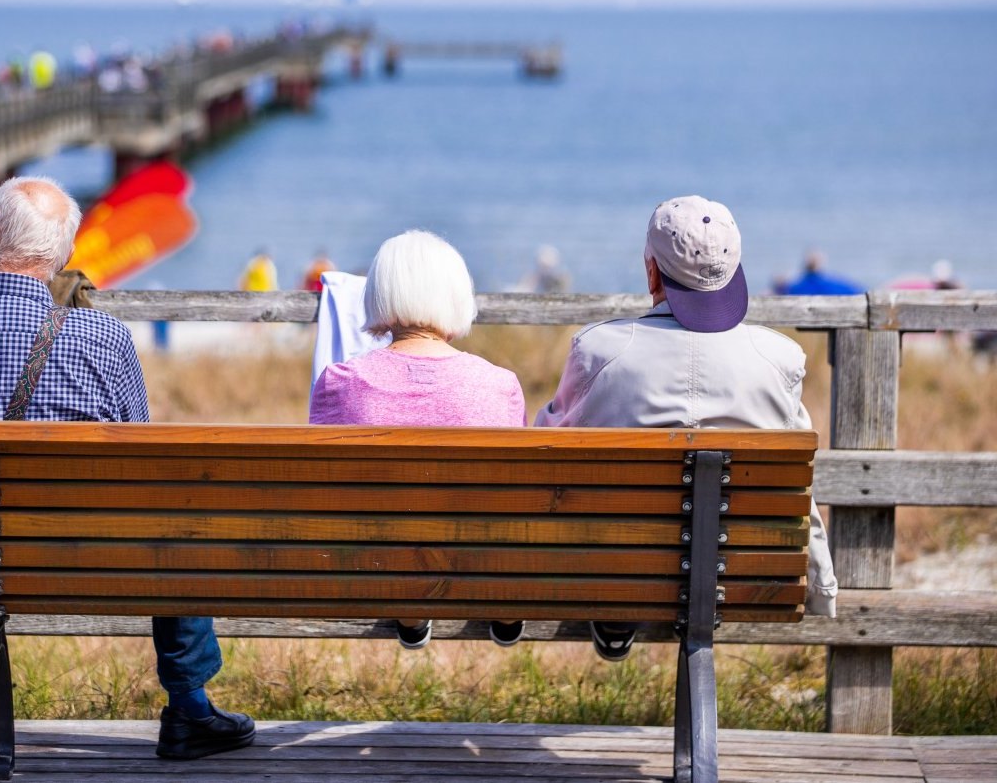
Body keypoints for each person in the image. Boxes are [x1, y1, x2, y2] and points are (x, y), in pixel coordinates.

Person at [0, 176, 254, 764]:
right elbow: (142, 462)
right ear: (64, 255)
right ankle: (189, 703)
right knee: (171, 501)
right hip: (78, 563)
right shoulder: (107, 338)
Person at [535, 195, 838, 660]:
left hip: (617, 567)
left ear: (652, 271)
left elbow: (547, 444)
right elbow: (802, 481)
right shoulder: (779, 360)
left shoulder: (599, 350)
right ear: (735, 270)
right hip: (744, 574)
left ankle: (617, 610)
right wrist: (821, 586)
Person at [310, 230, 527, 649]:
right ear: (457, 295)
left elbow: (324, 487)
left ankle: (411, 609)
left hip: (370, 562)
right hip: (478, 563)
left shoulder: (339, 383)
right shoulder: (500, 384)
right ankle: (504, 606)